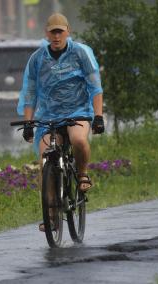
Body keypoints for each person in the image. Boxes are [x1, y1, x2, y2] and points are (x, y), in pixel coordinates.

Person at [17, 13, 104, 230]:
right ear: (46, 33)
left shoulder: (80, 53)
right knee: (45, 161)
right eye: (52, 32)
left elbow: (95, 87)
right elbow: (29, 93)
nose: (56, 36)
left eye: (60, 31)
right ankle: (52, 215)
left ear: (68, 32)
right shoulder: (37, 58)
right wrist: (28, 123)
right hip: (49, 115)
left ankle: (82, 174)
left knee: (78, 140)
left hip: (78, 110)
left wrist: (99, 116)